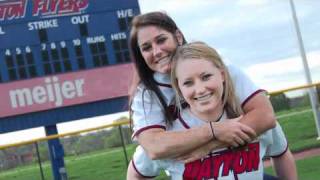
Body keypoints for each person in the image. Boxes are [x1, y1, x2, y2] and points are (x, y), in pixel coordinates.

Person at [126, 11, 277, 179]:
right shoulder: (146, 95)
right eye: (146, 48)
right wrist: (213, 131)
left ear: (178, 36)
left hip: (238, 163)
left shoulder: (216, 66)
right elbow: (154, 147)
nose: (157, 51)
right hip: (194, 170)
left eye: (161, 40)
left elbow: (265, 115)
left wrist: (212, 145)